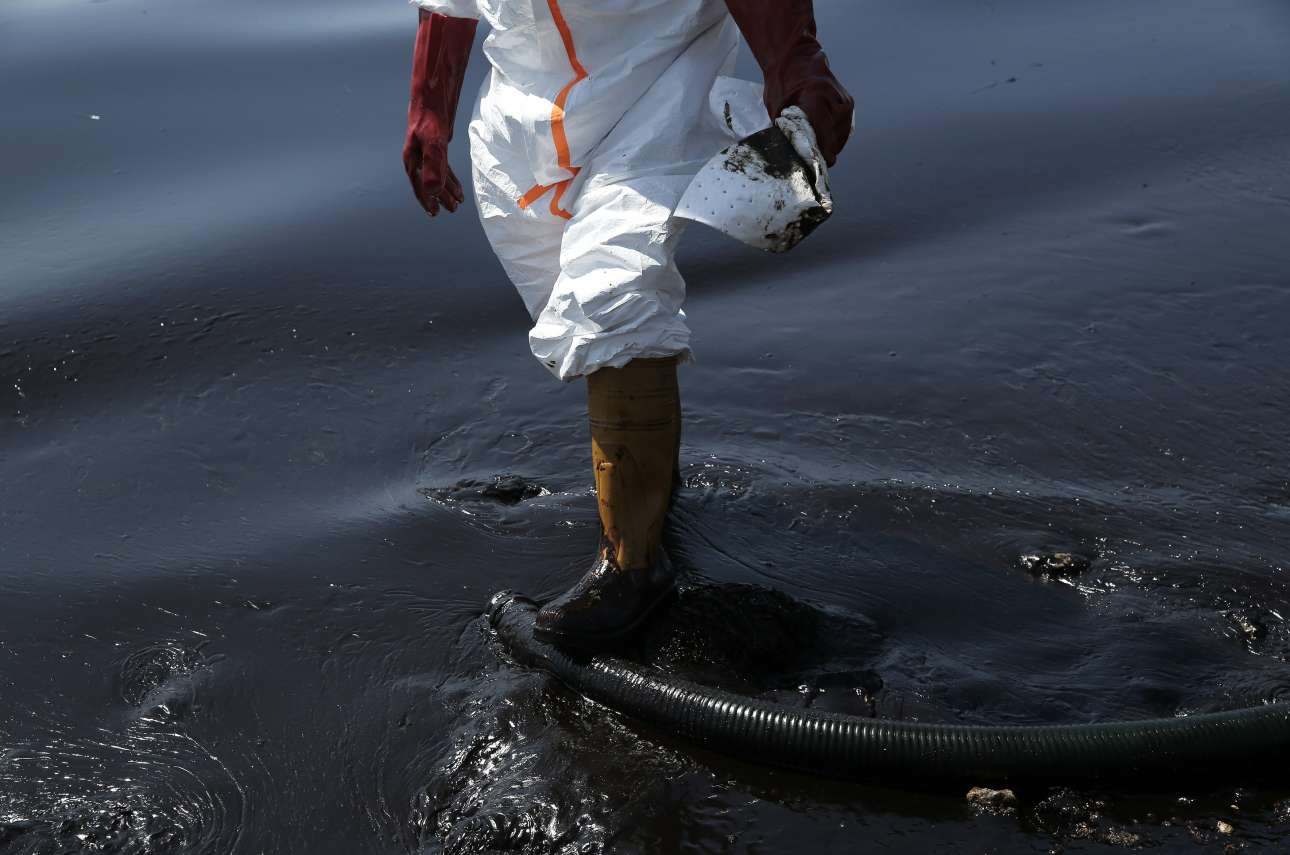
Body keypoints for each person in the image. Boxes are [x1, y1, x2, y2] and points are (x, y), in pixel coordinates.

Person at [402, 0, 853, 646]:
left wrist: (798, 66)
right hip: (527, 119)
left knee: (613, 291)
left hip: (657, 85)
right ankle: (651, 483)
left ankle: (633, 566)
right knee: (573, 305)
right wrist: (430, 110)